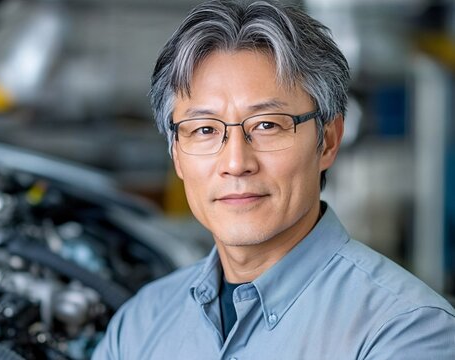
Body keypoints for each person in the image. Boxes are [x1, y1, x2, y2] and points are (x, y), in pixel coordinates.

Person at [91, 0, 455, 359]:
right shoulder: (140, 325)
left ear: (327, 141)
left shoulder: (405, 332)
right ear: (176, 155)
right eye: (204, 129)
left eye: (267, 125)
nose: (235, 162)